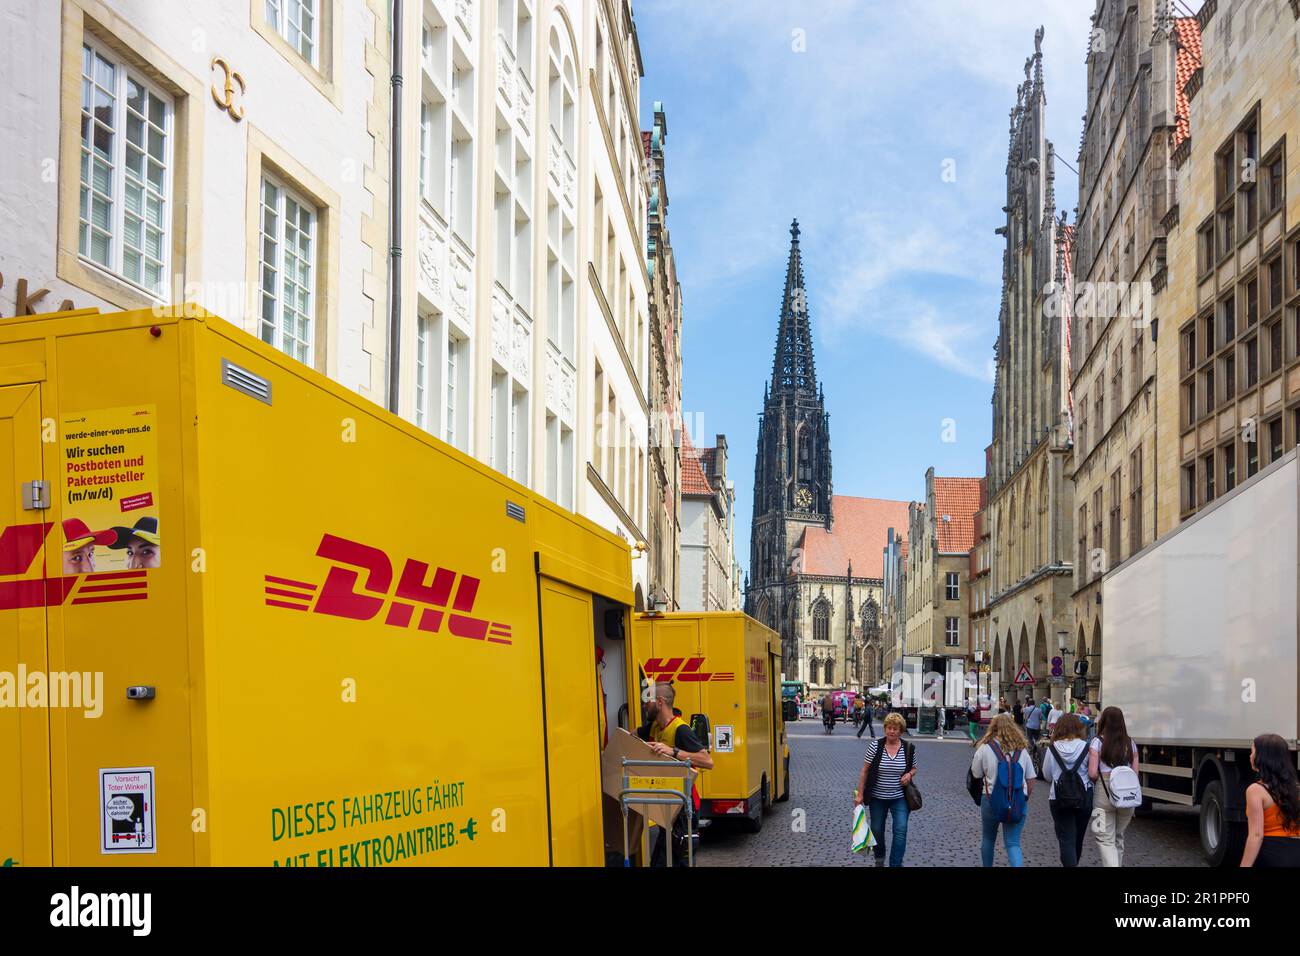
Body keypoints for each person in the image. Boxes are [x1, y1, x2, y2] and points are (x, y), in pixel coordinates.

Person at [636, 681, 713, 866]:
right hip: (666, 803)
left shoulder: (681, 729)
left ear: (660, 702)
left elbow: (707, 761)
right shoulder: (653, 727)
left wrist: (674, 752)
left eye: (648, 700)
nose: (645, 705)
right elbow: (629, 737)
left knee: (679, 861)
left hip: (684, 807)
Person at [971, 714, 1036, 866]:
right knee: (1013, 842)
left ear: (992, 728)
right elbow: (1031, 779)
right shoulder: (1022, 751)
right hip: (1017, 798)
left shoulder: (985, 747)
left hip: (991, 798)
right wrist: (1024, 798)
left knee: (988, 838)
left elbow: (976, 773)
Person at [855, 713, 916, 867]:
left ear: (901, 731)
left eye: (895, 729)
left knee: (901, 830)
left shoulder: (908, 748)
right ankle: (880, 857)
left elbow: (914, 767)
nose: (891, 731)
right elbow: (864, 771)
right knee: (876, 830)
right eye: (889, 728)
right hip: (877, 797)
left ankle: (895, 864)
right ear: (885, 729)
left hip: (899, 797)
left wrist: (909, 774)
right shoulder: (875, 746)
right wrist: (860, 794)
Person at [1088, 705, 1140, 867]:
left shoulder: (1097, 742)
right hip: (1127, 795)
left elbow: (1092, 773)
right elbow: (1135, 773)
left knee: (1104, 838)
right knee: (1118, 836)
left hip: (1103, 794)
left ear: (1103, 721)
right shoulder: (1131, 743)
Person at [1041, 714, 1094, 866]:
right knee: (1078, 838)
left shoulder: (1053, 748)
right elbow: (1092, 773)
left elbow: (1047, 775)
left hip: (1059, 797)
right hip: (1084, 796)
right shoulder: (1086, 747)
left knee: (1066, 839)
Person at [1241, 733, 1300, 867]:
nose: (1250, 756)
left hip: (1271, 855)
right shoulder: (1297, 789)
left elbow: (1256, 835)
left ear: (1262, 758)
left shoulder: (1256, 791)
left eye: (1252, 752)